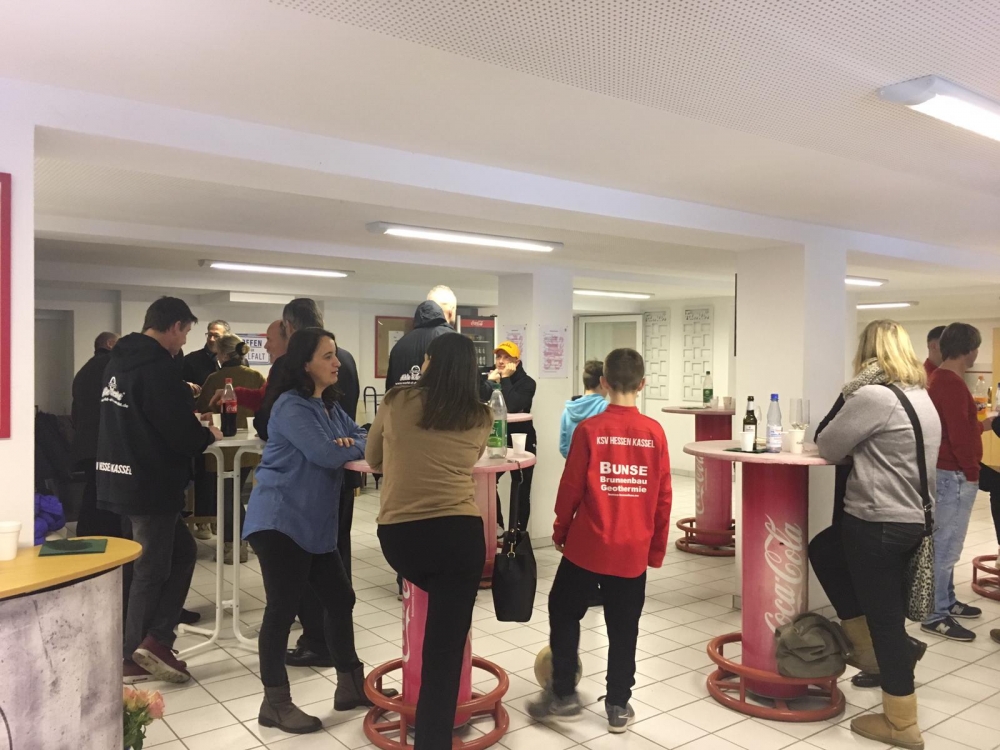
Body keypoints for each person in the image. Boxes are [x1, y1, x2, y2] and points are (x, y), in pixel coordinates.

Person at [528, 348, 672, 734]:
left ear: (604, 383)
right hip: (632, 549)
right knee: (624, 627)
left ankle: (563, 692)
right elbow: (663, 496)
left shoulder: (589, 430)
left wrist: (560, 530)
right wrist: (656, 548)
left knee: (563, 609)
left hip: (587, 546)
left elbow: (570, 487)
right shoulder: (654, 433)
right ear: (642, 385)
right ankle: (618, 704)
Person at [812, 320, 941, 749]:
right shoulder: (920, 395)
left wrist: (850, 391)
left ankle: (901, 723)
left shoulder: (873, 396)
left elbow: (828, 444)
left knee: (885, 622)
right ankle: (875, 648)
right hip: (913, 520)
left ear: (867, 353)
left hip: (877, 522)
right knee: (826, 549)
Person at [242, 327, 375, 735]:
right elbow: (325, 453)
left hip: (312, 524)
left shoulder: (329, 406)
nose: (337, 363)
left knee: (340, 598)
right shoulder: (290, 406)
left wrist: (350, 442)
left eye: (335, 355)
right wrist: (347, 445)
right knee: (282, 610)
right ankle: (275, 703)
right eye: (327, 356)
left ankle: (350, 686)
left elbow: (364, 436)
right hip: (280, 521)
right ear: (305, 364)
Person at [368, 333, 493, 750]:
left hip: (402, 539)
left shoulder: (397, 401)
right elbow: (473, 458)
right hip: (460, 539)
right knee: (445, 651)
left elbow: (373, 458)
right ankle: (433, 741)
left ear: (430, 363)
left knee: (429, 625)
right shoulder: (480, 415)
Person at [96, 297, 222, 684]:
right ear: (174, 326)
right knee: (150, 570)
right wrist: (207, 433)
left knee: (181, 554)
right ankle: (135, 652)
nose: (183, 341)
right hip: (150, 483)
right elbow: (180, 434)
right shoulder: (158, 367)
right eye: (185, 332)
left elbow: (143, 418)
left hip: (119, 476)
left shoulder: (118, 362)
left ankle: (155, 639)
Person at [922, 322, 984, 642]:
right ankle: (935, 614)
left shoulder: (939, 379)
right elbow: (959, 436)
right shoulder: (951, 383)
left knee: (945, 544)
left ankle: (946, 601)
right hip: (954, 475)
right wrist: (972, 472)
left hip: (946, 472)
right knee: (946, 548)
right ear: (969, 350)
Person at [195, 334, 266, 564]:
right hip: (251, 447)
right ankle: (246, 540)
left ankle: (234, 545)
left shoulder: (215, 379)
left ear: (223, 355)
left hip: (222, 448)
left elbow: (202, 408)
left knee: (227, 497)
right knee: (237, 495)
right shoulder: (255, 376)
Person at [480, 341, 537, 532]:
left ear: (516, 362)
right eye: (498, 357)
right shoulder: (488, 376)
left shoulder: (527, 383)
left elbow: (512, 405)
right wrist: (491, 382)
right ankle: (497, 527)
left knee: (521, 486)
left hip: (521, 438)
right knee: (488, 481)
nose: (501, 361)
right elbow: (477, 397)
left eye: (506, 357)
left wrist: (505, 379)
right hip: (495, 437)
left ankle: (518, 534)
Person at [71, 331, 120, 538]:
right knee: (107, 495)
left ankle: (86, 533)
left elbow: (76, 412)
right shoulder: (112, 367)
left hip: (86, 442)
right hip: (106, 442)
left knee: (92, 491)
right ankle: (107, 538)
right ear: (110, 344)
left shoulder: (83, 371)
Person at [385, 286, 457, 390]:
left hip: (407, 401)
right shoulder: (456, 343)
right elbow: (472, 389)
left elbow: (390, 393)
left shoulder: (399, 345)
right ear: (451, 311)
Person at [559, 360, 608, 459]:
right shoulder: (606, 408)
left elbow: (563, 446)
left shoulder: (568, 410)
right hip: (598, 465)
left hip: (574, 465)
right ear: (603, 382)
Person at [183, 319, 229, 387]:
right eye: (210, 335)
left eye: (216, 336)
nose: (212, 339)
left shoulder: (233, 360)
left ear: (226, 338)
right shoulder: (190, 360)